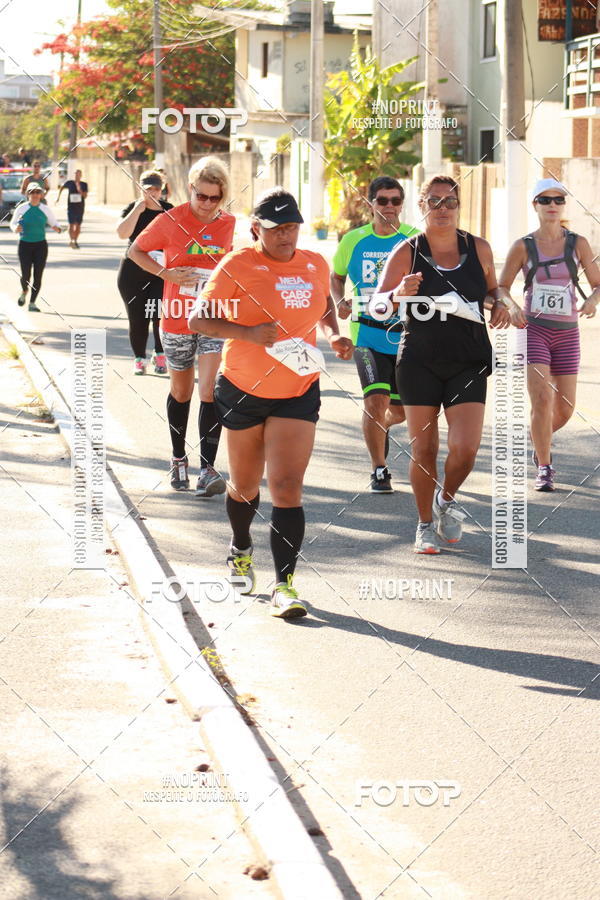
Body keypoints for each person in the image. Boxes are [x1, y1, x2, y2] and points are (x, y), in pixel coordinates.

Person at [188, 188, 354, 618]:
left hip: (298, 389)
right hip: (243, 388)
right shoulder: (237, 265)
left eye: (292, 227)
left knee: (285, 487)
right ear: (256, 229)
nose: (286, 236)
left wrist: (334, 333)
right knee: (245, 486)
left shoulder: (314, 263)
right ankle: (241, 546)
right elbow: (199, 319)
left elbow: (323, 307)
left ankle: (285, 586)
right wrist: (246, 333)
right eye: (277, 229)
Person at [377, 174, 522, 554]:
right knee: (424, 448)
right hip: (419, 361)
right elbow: (377, 305)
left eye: (450, 202)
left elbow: (492, 291)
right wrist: (396, 293)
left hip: (469, 359)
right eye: (435, 201)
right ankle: (424, 525)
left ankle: (447, 498)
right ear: (421, 205)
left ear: (459, 207)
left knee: (466, 448)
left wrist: (502, 304)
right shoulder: (407, 251)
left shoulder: (479, 248)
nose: (442, 209)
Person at [128, 157, 235, 498]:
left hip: (213, 318)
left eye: (214, 198)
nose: (206, 204)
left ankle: (207, 469)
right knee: (182, 392)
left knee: (209, 392)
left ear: (223, 197)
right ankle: (178, 459)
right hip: (175, 317)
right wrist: (167, 274)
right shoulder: (169, 220)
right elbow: (135, 251)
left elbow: (231, 263)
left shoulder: (229, 224)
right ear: (190, 189)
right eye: (201, 196)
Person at [499, 178, 600, 492]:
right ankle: (545, 466)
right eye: (545, 200)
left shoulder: (578, 243)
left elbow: (598, 284)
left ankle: (538, 440)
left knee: (565, 408)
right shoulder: (523, 245)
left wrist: (591, 301)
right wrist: (511, 306)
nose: (553, 205)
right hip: (535, 331)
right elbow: (501, 286)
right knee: (542, 399)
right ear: (535, 206)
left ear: (563, 205)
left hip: (568, 333)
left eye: (558, 200)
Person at [331, 176, 419, 492]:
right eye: (382, 200)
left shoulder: (415, 239)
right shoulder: (353, 240)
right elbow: (336, 276)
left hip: (406, 337)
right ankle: (378, 469)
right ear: (370, 205)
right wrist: (339, 299)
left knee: (400, 412)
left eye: (396, 201)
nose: (390, 207)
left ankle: (380, 427)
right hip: (367, 335)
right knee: (374, 401)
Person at [116, 170, 173, 375]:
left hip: (159, 271)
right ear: (140, 189)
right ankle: (139, 358)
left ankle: (160, 355)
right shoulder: (133, 208)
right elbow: (122, 234)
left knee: (158, 315)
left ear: (161, 190)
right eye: (147, 189)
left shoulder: (169, 210)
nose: (152, 193)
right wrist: (137, 210)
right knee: (137, 318)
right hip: (132, 272)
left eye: (156, 189)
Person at [10, 184, 61, 311]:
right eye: (32, 192)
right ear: (28, 194)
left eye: (38, 192)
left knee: (38, 275)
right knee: (25, 275)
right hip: (25, 245)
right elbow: (13, 223)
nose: (35, 195)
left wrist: (58, 228)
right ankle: (24, 291)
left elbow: (54, 222)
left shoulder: (45, 209)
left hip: (40, 245)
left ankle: (32, 303)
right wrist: (15, 228)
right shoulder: (22, 208)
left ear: (41, 195)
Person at [57, 169, 88, 248]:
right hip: (71, 207)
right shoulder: (70, 183)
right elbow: (61, 187)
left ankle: (75, 240)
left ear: (81, 175)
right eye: (76, 174)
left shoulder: (84, 184)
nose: (77, 176)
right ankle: (71, 240)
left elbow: (85, 196)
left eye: (79, 174)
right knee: (71, 224)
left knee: (78, 225)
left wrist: (79, 190)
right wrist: (58, 198)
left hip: (80, 208)